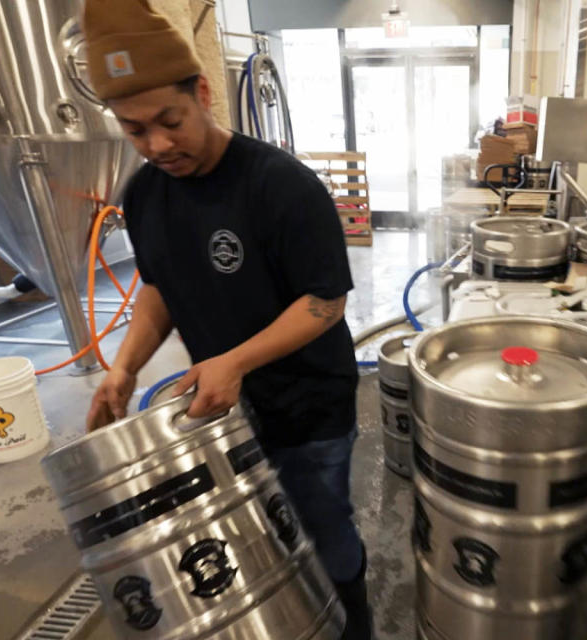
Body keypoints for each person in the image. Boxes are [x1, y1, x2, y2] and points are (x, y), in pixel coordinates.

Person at [81, 2, 370, 637]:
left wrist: (234, 361)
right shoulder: (145, 192)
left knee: (324, 528)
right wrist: (123, 368)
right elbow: (158, 288)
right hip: (223, 413)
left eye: (170, 121)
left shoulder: (281, 185)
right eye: (134, 131)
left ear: (203, 93)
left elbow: (326, 302)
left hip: (306, 406)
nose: (156, 145)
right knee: (254, 535)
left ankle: (354, 628)